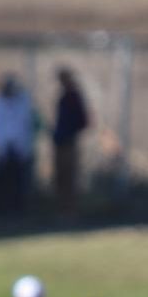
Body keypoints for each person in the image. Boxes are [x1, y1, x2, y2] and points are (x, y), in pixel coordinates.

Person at [0, 74, 36, 217]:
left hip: (19, 149)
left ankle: (18, 212)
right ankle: (1, 212)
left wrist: (24, 147)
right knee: (2, 183)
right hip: (4, 149)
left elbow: (26, 126)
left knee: (19, 183)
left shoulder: (23, 103)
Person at [51, 68, 89, 214]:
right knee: (61, 178)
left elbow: (83, 121)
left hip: (69, 142)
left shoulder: (74, 96)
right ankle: (62, 209)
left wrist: (69, 132)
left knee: (70, 177)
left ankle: (71, 211)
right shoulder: (64, 97)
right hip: (60, 142)